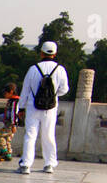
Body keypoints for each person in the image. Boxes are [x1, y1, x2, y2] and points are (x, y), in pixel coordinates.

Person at [17, 41, 69, 174]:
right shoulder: (60, 69)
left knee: (30, 135)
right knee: (48, 135)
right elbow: (64, 89)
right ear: (55, 53)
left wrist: (21, 108)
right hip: (50, 108)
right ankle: (49, 164)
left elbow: (25, 90)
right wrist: (53, 95)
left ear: (41, 52)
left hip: (33, 106)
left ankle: (26, 164)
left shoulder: (33, 69)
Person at [0, 83, 20, 162]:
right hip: (10, 123)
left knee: (0, 135)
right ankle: (8, 155)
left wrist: (13, 124)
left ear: (11, 92)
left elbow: (14, 113)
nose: (4, 94)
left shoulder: (14, 102)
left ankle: (4, 152)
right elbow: (8, 113)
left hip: (11, 124)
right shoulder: (11, 101)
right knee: (7, 139)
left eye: (5, 93)